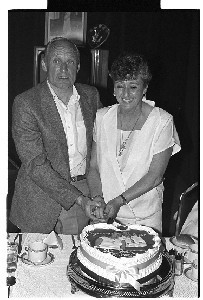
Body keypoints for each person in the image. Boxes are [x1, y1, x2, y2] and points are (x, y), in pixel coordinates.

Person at [10, 37, 103, 234]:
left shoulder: (91, 96)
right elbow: (35, 164)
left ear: (78, 66)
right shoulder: (26, 103)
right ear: (44, 63)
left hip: (86, 192)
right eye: (56, 61)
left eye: (70, 61)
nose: (63, 68)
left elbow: (104, 145)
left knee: (77, 258)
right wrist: (78, 198)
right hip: (40, 200)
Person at [87, 52, 181, 233]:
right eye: (120, 86)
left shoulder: (162, 121)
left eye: (133, 87)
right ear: (113, 88)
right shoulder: (101, 117)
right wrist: (98, 198)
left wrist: (119, 201)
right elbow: (93, 167)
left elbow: (155, 177)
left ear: (144, 88)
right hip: (106, 214)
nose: (126, 94)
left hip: (144, 218)